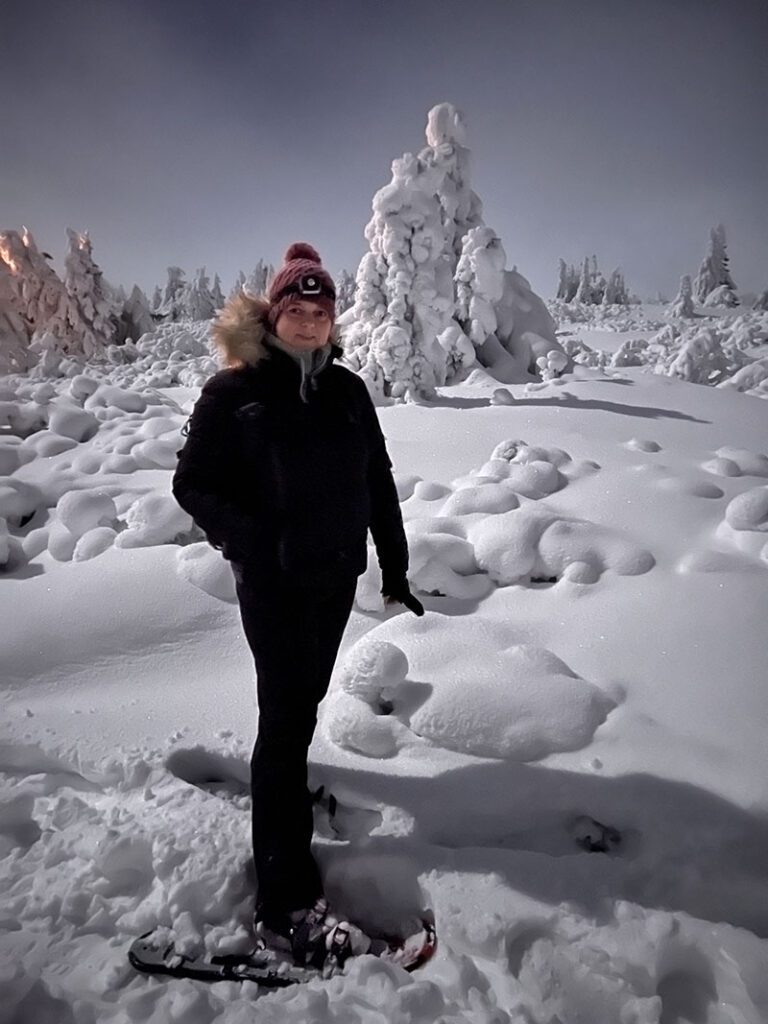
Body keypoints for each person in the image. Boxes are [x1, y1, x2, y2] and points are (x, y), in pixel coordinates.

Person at [172, 242, 424, 966]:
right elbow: (194, 486)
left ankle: (282, 806)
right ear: (274, 315)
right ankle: (284, 905)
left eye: (321, 312)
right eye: (297, 310)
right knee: (283, 724)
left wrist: (394, 563)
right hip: (274, 585)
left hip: (335, 579)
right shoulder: (235, 392)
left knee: (301, 707)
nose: (310, 323)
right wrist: (259, 541)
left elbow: (377, 478)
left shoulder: (346, 392)